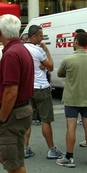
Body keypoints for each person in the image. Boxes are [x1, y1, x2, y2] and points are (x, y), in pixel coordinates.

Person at [0, 14, 37, 173]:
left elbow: (11, 91)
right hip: (18, 111)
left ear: (1, 32)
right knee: (0, 152)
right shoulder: (20, 49)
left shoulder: (11, 53)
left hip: (12, 113)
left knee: (15, 162)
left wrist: (2, 117)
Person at [56, 32, 87, 167]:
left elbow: (60, 73)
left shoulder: (68, 59)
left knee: (71, 127)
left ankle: (69, 157)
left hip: (72, 97)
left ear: (75, 42)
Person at [23, 25, 64, 160]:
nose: (42, 38)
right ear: (34, 36)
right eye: (41, 35)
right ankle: (51, 149)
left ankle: (25, 148)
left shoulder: (21, 49)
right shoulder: (38, 50)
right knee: (46, 120)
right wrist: (46, 51)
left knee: (27, 120)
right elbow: (51, 66)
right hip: (41, 87)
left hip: (27, 88)